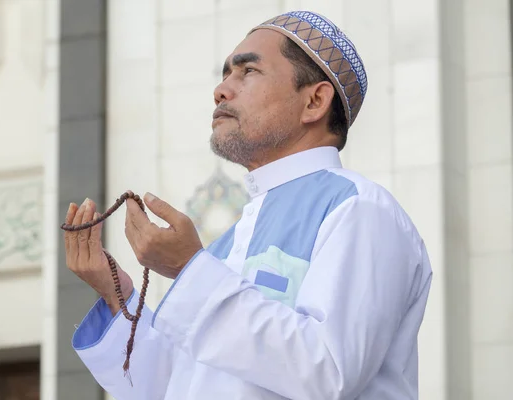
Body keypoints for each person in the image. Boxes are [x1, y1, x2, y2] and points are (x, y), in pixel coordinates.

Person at [63, 10, 432, 400]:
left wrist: (190, 269)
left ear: (315, 101)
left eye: (248, 72)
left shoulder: (360, 210)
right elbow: (174, 388)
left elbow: (329, 372)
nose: (221, 90)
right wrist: (114, 293)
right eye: (225, 74)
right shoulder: (227, 245)